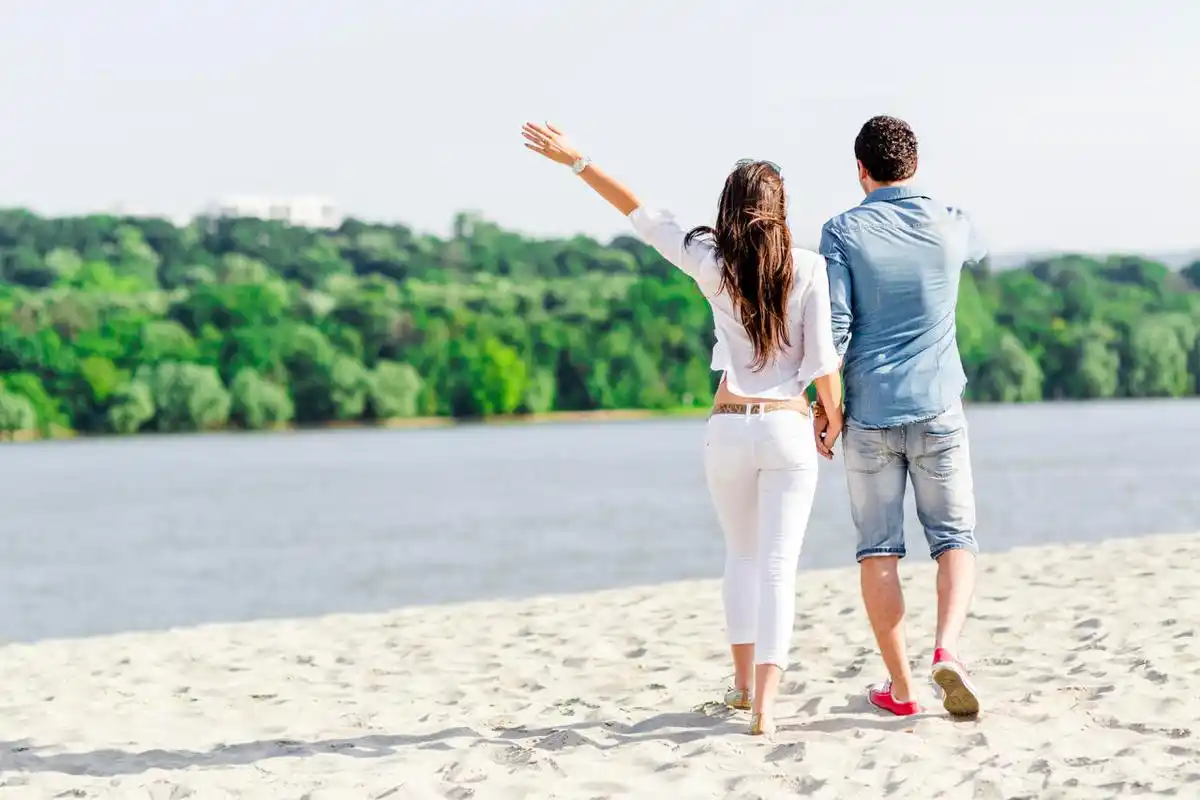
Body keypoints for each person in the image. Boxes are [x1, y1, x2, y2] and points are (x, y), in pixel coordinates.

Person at [521, 121, 843, 737]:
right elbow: (823, 361)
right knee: (778, 567)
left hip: (728, 428)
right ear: (780, 209)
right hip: (786, 427)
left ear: (729, 207)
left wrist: (577, 160)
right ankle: (767, 706)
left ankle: (741, 687)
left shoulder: (709, 261)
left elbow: (639, 212)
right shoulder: (808, 267)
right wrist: (833, 418)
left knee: (741, 556)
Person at [815, 115, 985, 718]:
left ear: (861, 169)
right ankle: (947, 649)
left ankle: (903, 688)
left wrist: (826, 410)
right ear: (914, 164)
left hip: (868, 413)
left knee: (879, 550)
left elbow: (834, 329)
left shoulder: (841, 231)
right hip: (939, 408)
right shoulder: (953, 222)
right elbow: (977, 247)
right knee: (955, 539)